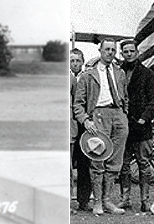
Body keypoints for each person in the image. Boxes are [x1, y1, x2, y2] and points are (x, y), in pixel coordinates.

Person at [74, 39, 129, 215]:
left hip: (118, 116)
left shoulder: (119, 73)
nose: (110, 52)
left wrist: (124, 114)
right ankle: (97, 201)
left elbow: (125, 96)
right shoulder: (88, 75)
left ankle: (107, 200)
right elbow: (78, 104)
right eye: (107, 49)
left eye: (113, 50)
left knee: (115, 161)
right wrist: (86, 120)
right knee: (98, 159)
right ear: (100, 50)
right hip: (98, 116)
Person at [117, 39, 154, 212]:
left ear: (137, 52)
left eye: (131, 51)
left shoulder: (147, 74)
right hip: (122, 126)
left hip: (141, 127)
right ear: (122, 53)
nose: (128, 54)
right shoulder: (117, 72)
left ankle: (145, 200)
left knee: (143, 164)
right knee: (124, 164)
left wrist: (144, 119)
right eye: (125, 51)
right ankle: (125, 198)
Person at [70, 48, 92, 212]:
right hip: (71, 124)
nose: (75, 64)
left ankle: (83, 200)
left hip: (84, 124)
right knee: (68, 164)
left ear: (82, 62)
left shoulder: (87, 77)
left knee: (85, 163)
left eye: (78, 60)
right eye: (72, 60)